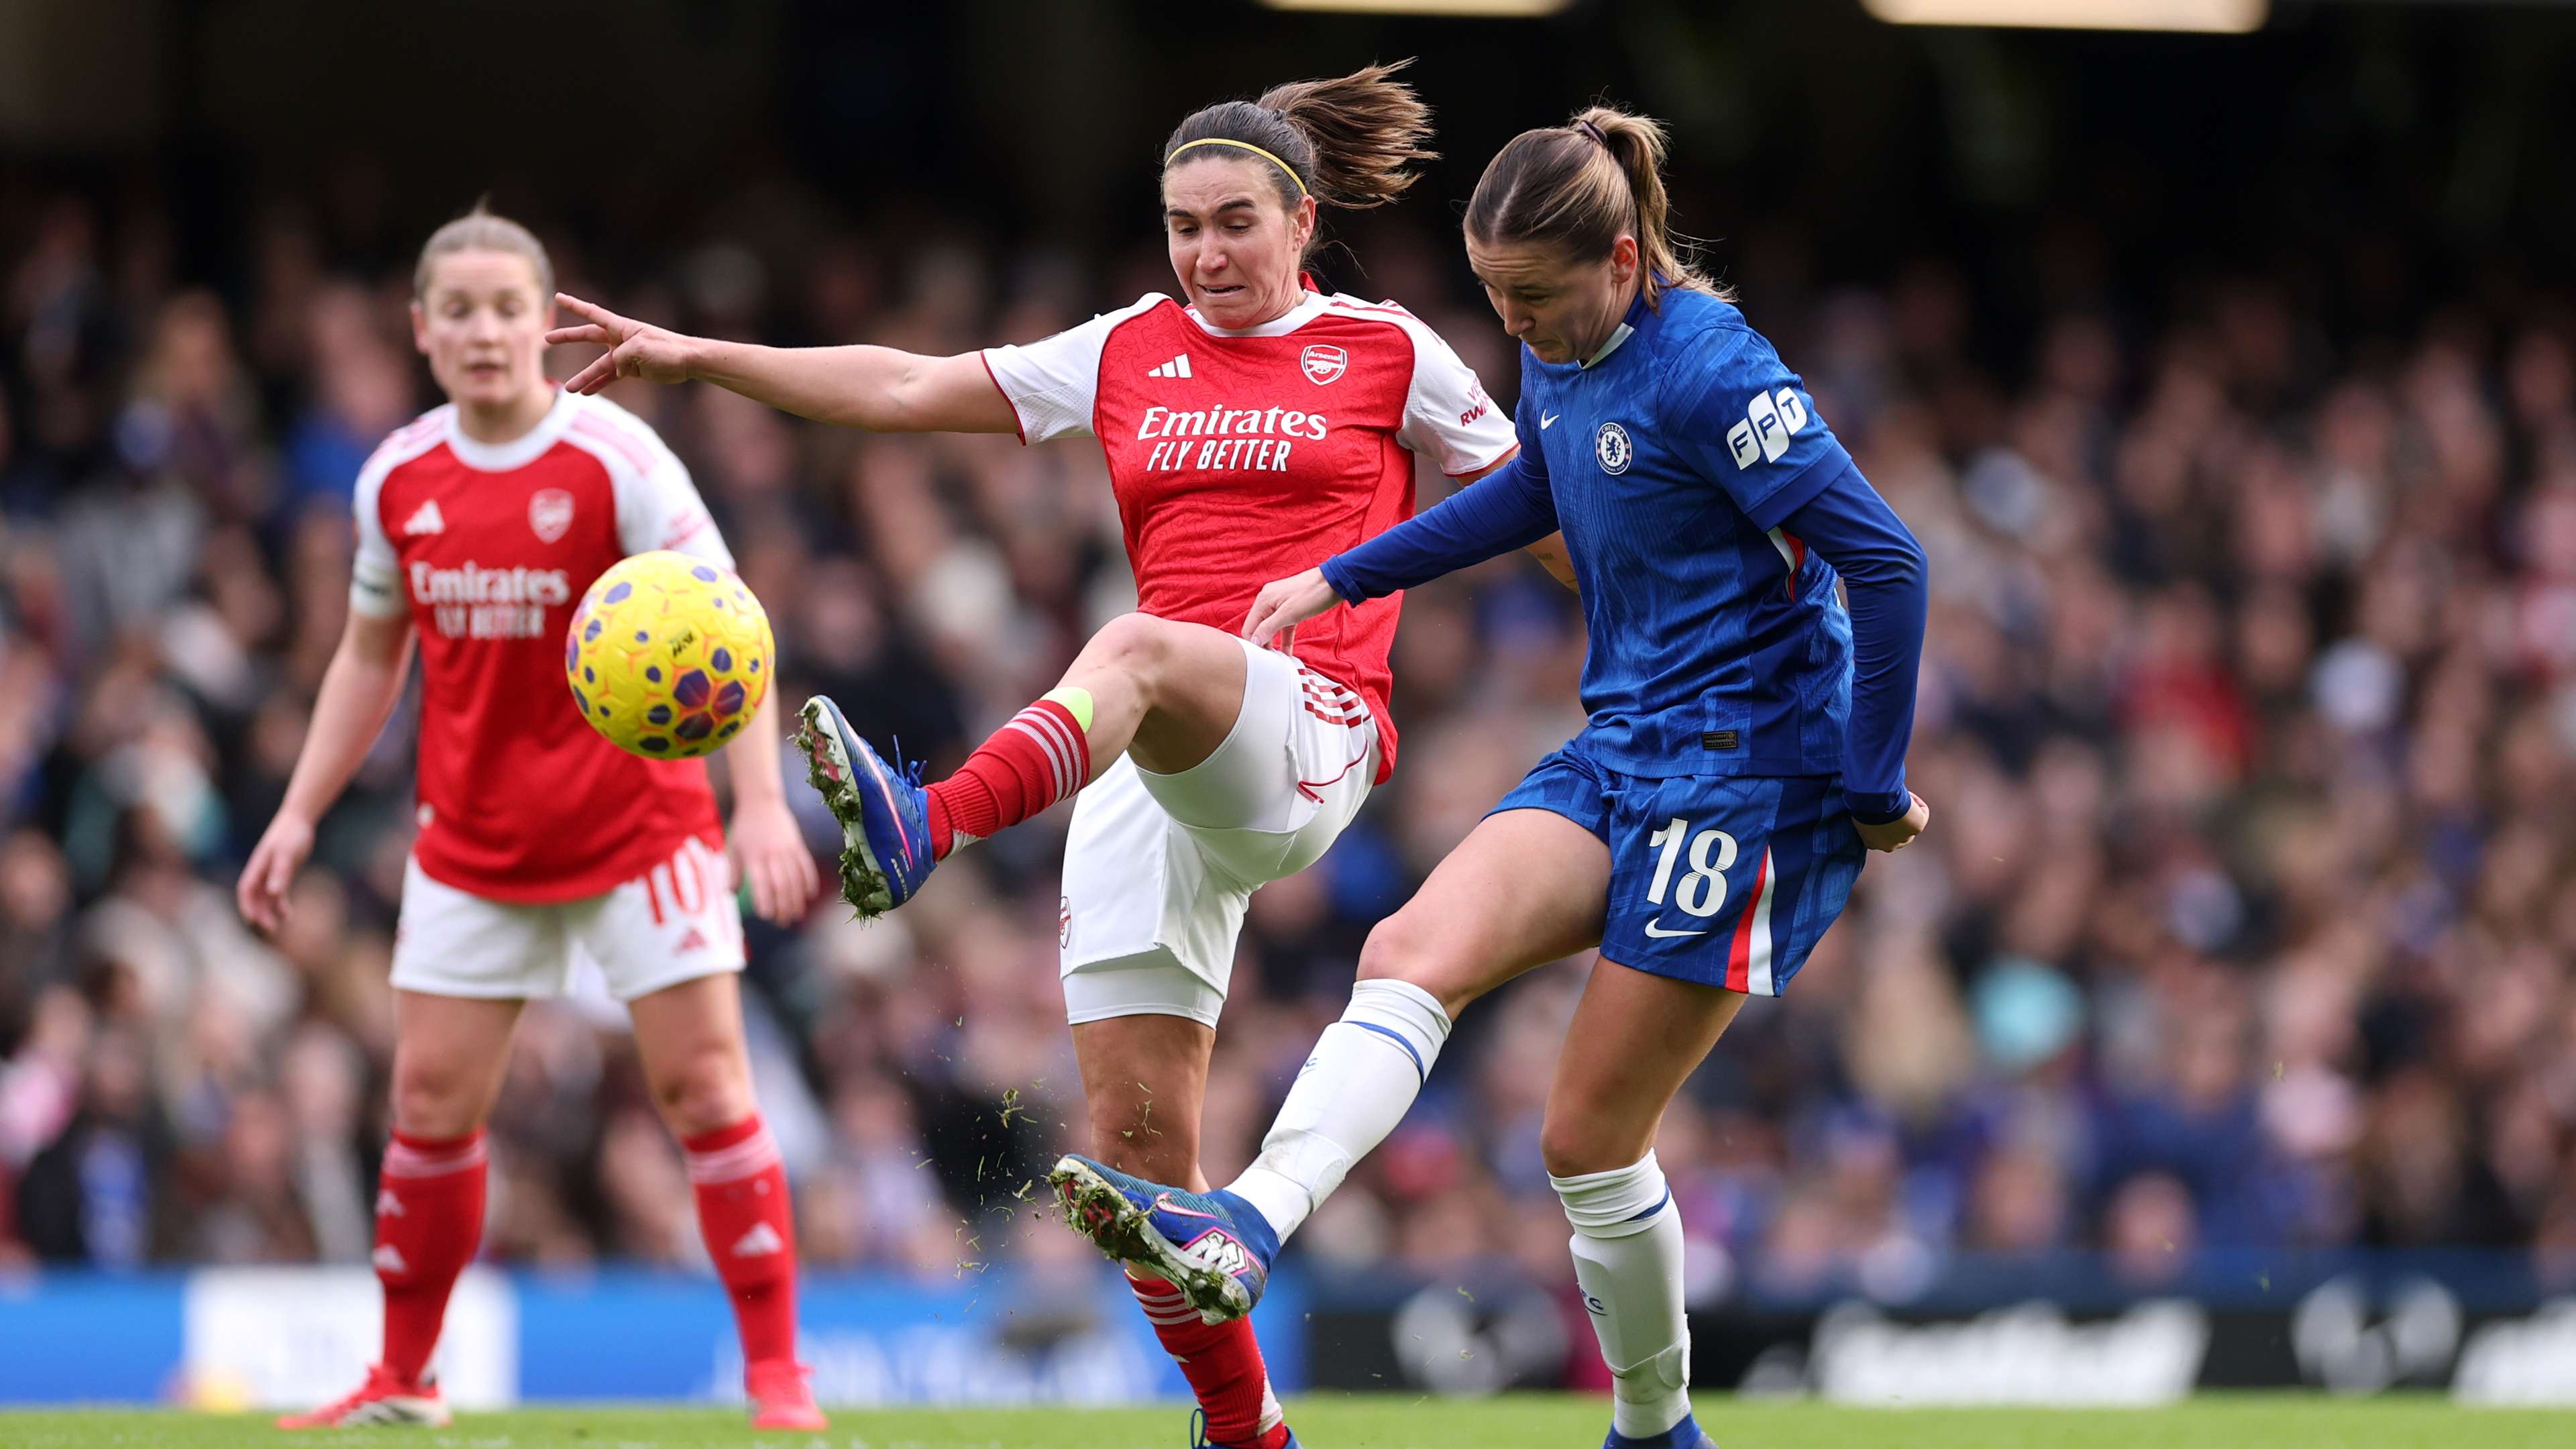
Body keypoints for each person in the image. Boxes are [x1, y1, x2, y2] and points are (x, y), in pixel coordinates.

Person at [541, 63, 1540, 1449]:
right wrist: (702, 356)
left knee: (1128, 644)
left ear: (1303, 221)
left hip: (1310, 727)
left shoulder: (1390, 352)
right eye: (1183, 226)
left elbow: (1542, 504)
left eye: (1236, 222)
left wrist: (1683, 598)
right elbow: (905, 384)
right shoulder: (1130, 347)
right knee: (1135, 1166)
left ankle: (927, 822)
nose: (1207, 252)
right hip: (1151, 762)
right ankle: (1246, 1431)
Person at [1050, 106, 1932, 1449]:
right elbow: (1535, 493)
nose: (1513, 325)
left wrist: (1871, 783)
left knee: (1584, 1141)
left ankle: (1655, 1426)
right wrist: (1344, 574)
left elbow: (1889, 559)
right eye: (1496, 296)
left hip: (1752, 777)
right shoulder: (1561, 351)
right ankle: (1246, 1224)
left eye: (1532, 298)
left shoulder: (1715, 372)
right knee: (1409, 951)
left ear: (1623, 262)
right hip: (1625, 748)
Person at [237, 206, 827, 1431]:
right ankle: (405, 1382)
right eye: (458, 311)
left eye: (509, 309)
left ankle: (779, 1378)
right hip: (473, 846)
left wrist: (764, 804)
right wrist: (297, 814)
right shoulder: (396, 478)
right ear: (421, 330)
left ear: (545, 326)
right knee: (428, 1106)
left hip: (641, 836)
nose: (485, 331)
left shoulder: (618, 458)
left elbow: (732, 630)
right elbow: (368, 657)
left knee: (707, 1093)